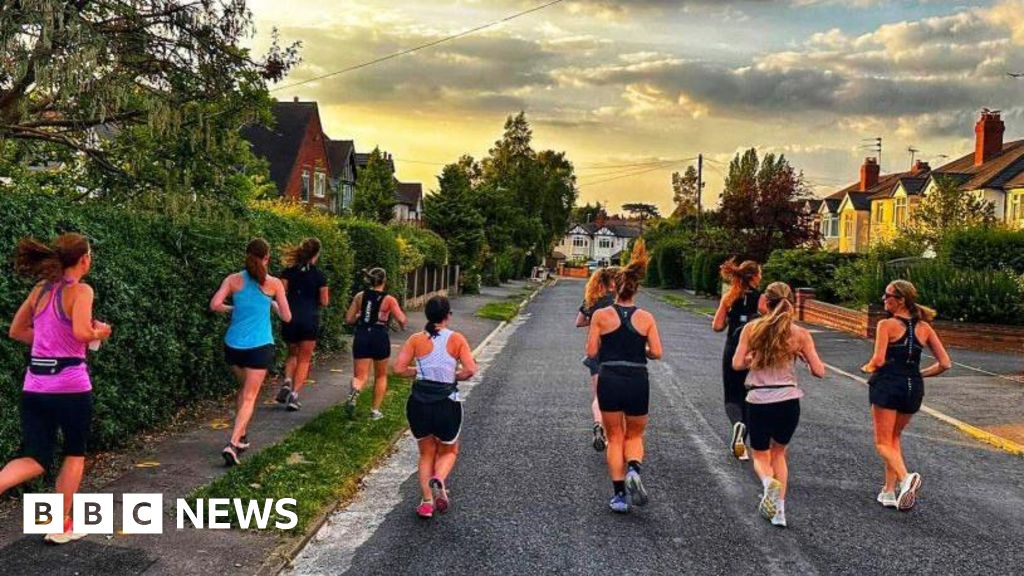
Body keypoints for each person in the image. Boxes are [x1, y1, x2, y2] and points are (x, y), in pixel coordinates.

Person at [0, 233, 112, 544]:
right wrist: (100, 332)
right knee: (74, 453)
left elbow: (16, 331)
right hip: (71, 387)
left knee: (35, 458)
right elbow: (81, 332)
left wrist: (49, 344)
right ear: (84, 260)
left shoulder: (40, 290)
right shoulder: (82, 290)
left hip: (35, 386)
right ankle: (59, 525)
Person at [732, 282, 825, 528]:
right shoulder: (801, 334)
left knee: (760, 455)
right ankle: (779, 512)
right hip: (789, 400)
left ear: (766, 301)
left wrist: (752, 359)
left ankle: (767, 483)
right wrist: (804, 358)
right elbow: (819, 371)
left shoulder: (752, 329)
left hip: (759, 399)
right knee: (779, 453)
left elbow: (737, 364)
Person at [861, 280, 950, 511]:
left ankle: (905, 478)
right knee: (894, 439)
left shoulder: (886, 325)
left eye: (887, 295)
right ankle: (889, 492)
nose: (884, 299)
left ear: (900, 300)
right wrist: (919, 374)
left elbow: (878, 359)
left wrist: (868, 367)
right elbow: (945, 363)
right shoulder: (925, 328)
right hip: (913, 387)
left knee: (882, 443)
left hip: (888, 384)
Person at [586, 241, 662, 513]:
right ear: (635, 289)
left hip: (610, 377)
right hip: (637, 378)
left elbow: (591, 352)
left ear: (615, 288)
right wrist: (640, 349)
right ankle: (634, 470)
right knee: (635, 434)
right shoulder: (647, 318)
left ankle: (619, 496)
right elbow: (657, 352)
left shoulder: (601, 315)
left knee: (615, 436)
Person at [393, 296, 477, 519]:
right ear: (448, 315)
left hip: (419, 403)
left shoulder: (415, 339)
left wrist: (418, 372)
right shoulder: (456, 339)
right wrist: (453, 376)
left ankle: (427, 502)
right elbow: (470, 370)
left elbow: (399, 369)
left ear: (427, 315)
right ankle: (439, 478)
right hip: (446, 403)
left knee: (426, 453)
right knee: (449, 450)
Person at [210, 238, 291, 466]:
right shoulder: (274, 284)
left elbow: (214, 305)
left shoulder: (233, 279)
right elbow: (287, 317)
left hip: (233, 346)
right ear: (267, 258)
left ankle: (242, 434)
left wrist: (233, 308)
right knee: (249, 396)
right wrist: (273, 305)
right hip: (259, 346)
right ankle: (233, 443)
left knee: (244, 390)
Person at [712, 259, 766, 461]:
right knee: (749, 396)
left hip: (733, 349)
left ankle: (737, 426)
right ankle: (742, 442)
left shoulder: (729, 297)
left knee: (732, 397)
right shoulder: (762, 300)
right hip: (754, 353)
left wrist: (730, 316)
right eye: (759, 274)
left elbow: (717, 326)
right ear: (754, 277)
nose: (760, 278)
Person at [346, 268, 407, 420]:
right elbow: (402, 319)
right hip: (379, 336)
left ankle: (356, 389)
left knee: (360, 376)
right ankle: (375, 411)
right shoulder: (389, 299)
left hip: (362, 335)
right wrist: (402, 325)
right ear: (384, 281)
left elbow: (349, 319)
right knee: (380, 375)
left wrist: (360, 315)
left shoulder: (359, 296)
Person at [275, 238, 329, 412]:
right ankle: (294, 395)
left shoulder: (288, 272)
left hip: (290, 318)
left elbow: (280, 293)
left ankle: (287, 381)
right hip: (309, 319)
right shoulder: (319, 276)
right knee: (304, 359)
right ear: (316, 254)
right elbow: (324, 301)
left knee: (292, 353)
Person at [575, 266, 618, 452]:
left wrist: (594, 322)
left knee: (599, 395)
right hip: (616, 351)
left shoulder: (591, 299)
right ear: (613, 282)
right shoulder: (618, 301)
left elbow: (579, 322)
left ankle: (598, 425)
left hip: (596, 350)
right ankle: (613, 435)